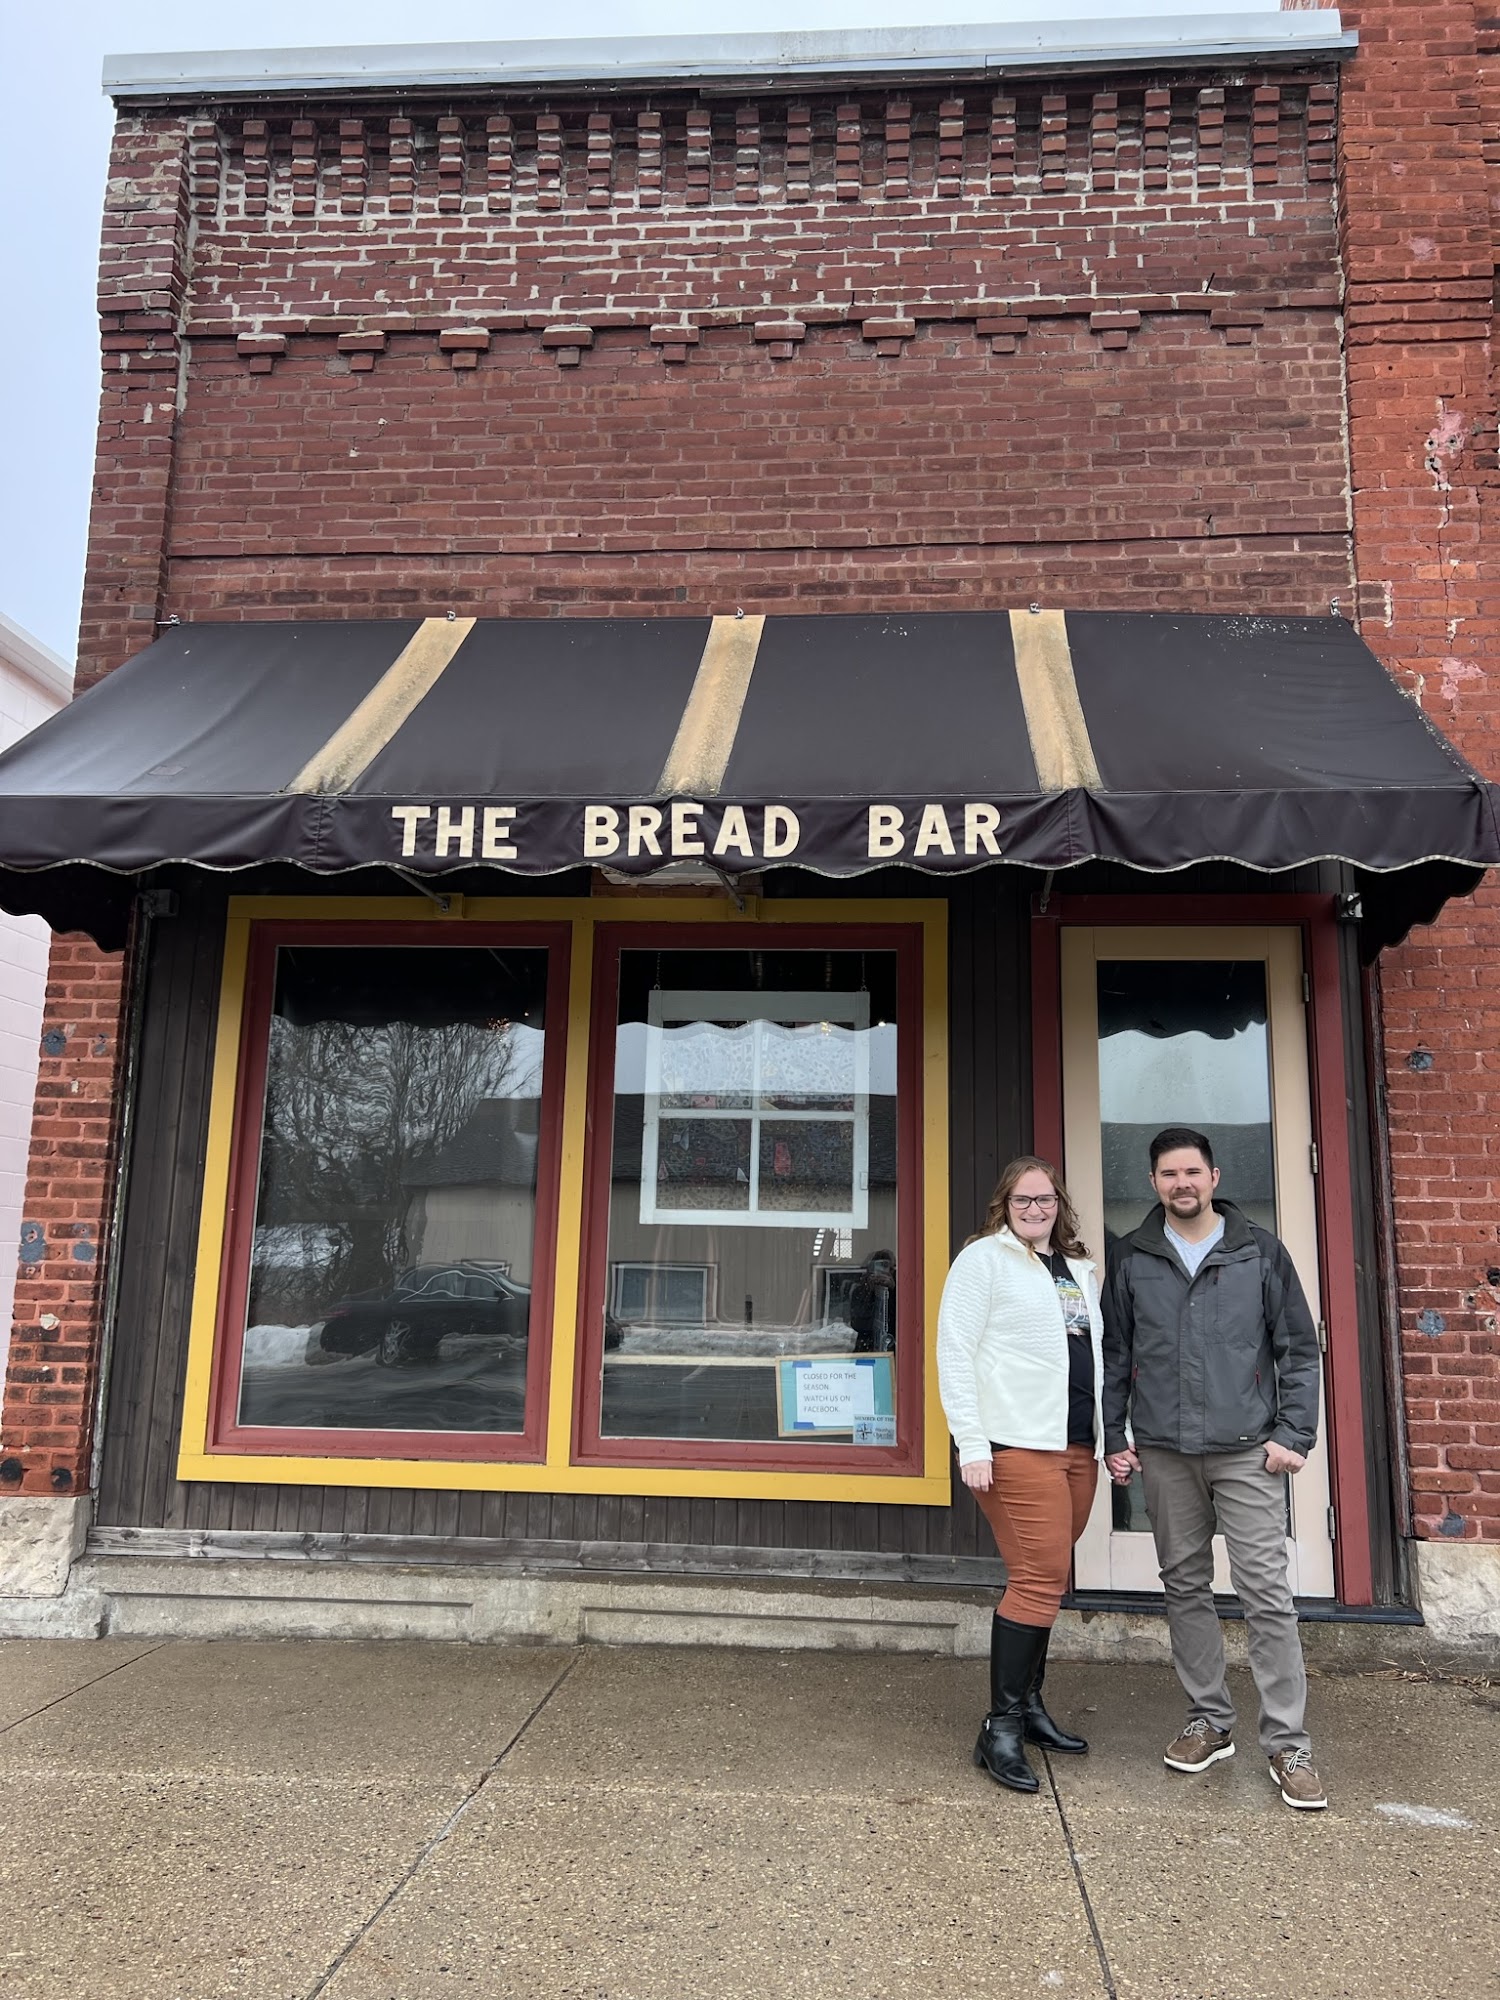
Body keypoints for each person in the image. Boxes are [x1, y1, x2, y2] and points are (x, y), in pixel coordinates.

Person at [1101, 1126, 1327, 1811]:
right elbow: (1114, 1355)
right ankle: (1210, 1720)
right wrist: (1114, 1434)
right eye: (1169, 1174)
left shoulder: (1258, 1251)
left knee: (1266, 1592)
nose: (1182, 1184)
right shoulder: (1134, 1256)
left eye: (1192, 1172)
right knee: (1184, 1587)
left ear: (1215, 1176)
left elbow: (1299, 1349)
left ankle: (1289, 1743)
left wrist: (1295, 1432)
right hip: (1166, 1453)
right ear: (1154, 1183)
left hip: (1245, 1450)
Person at [937, 1156, 1104, 1793]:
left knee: (1050, 1576)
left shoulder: (1077, 1270)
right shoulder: (983, 1261)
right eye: (1022, 1201)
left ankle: (1030, 1709)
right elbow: (955, 1352)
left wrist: (1117, 1438)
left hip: (1077, 1445)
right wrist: (970, 1442)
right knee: (1038, 1577)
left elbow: (1096, 1356)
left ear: (1059, 1204)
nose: (1035, 1210)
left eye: (1045, 1200)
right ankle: (1000, 1727)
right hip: (1014, 1445)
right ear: (1004, 1206)